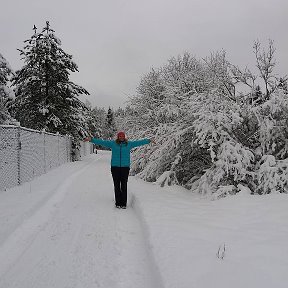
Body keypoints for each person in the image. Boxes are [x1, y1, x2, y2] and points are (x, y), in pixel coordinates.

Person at [84, 132, 152, 209]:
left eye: (122, 136)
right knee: (116, 185)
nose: (121, 137)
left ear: (124, 137)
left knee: (124, 185)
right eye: (120, 136)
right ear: (118, 137)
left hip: (125, 168)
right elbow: (102, 142)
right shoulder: (113, 144)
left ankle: (123, 203)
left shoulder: (129, 144)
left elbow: (139, 142)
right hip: (115, 167)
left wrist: (148, 140)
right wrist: (91, 140)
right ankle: (118, 203)